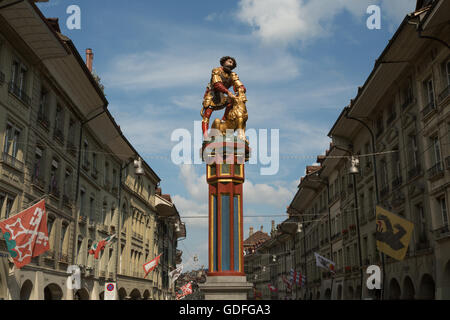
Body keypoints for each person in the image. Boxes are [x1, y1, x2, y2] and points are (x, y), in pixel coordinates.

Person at [201, 56, 246, 139]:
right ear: (224, 62)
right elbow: (217, 84)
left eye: (232, 63)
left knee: (232, 102)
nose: (231, 64)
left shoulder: (232, 75)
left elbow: (240, 85)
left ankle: (223, 122)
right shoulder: (216, 70)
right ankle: (206, 136)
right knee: (206, 116)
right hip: (212, 95)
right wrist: (228, 92)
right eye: (229, 61)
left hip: (223, 96)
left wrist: (240, 90)